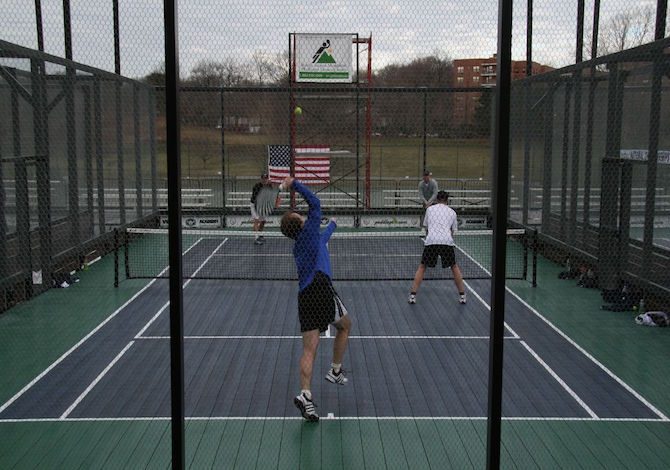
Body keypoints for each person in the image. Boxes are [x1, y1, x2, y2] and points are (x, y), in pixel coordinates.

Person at [279, 176, 352, 422]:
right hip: (321, 288)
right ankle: (335, 370)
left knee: (309, 349)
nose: (301, 215)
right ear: (299, 224)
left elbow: (322, 240)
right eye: (298, 215)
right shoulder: (307, 229)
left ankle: (305, 396)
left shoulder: (301, 244)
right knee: (345, 325)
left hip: (304, 296)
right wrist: (294, 183)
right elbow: (315, 203)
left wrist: (332, 225)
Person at [408, 190, 466, 305]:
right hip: (446, 242)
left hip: (432, 241)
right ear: (447, 200)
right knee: (454, 267)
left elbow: (426, 227)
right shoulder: (452, 212)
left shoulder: (430, 210)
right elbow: (453, 231)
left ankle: (413, 296)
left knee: (422, 267)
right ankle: (463, 295)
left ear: (436, 199)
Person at [250, 172, 272, 245]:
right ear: (261, 179)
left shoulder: (269, 186)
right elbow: (256, 200)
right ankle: (256, 238)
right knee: (256, 220)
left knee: (263, 221)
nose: (264, 180)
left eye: (266, 179)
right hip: (255, 205)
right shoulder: (256, 186)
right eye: (263, 179)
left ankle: (260, 234)